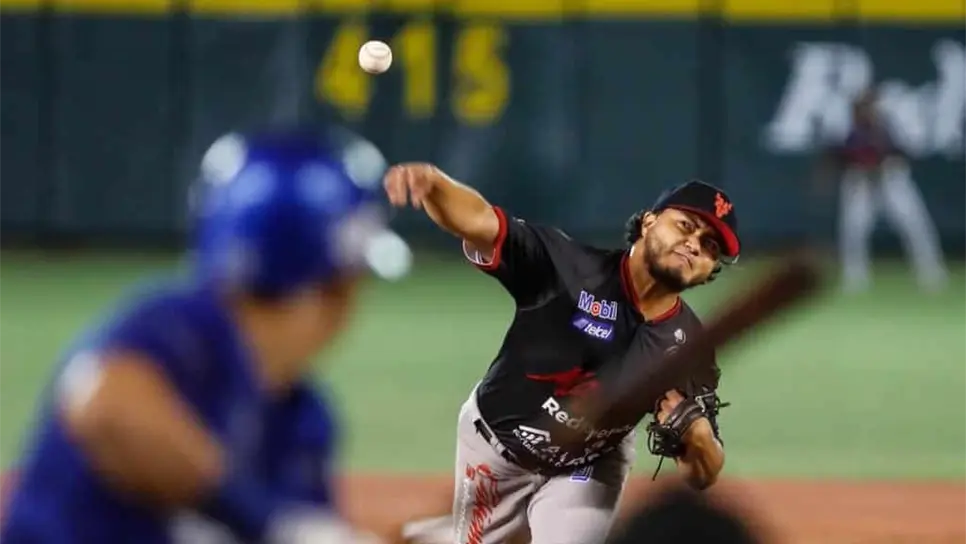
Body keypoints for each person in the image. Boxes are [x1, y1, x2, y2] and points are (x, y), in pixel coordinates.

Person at [0, 126, 412, 543]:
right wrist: (267, 522)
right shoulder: (181, 326)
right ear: (335, 284)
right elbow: (107, 411)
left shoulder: (301, 418)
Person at [385, 163, 736, 544]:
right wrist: (435, 184)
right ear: (649, 222)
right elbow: (480, 222)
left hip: (588, 465)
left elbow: (702, 475)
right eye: (686, 226)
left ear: (709, 271)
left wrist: (699, 437)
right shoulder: (566, 268)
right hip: (494, 449)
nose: (694, 245)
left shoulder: (689, 343)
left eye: (709, 247)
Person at [819, 89, 948, 293]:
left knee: (915, 225)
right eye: (861, 107)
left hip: (891, 179)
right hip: (860, 181)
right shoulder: (846, 129)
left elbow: (903, 153)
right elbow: (834, 157)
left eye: (869, 106)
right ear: (854, 109)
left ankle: (930, 273)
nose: (866, 111)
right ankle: (854, 278)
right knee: (853, 230)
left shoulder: (889, 126)